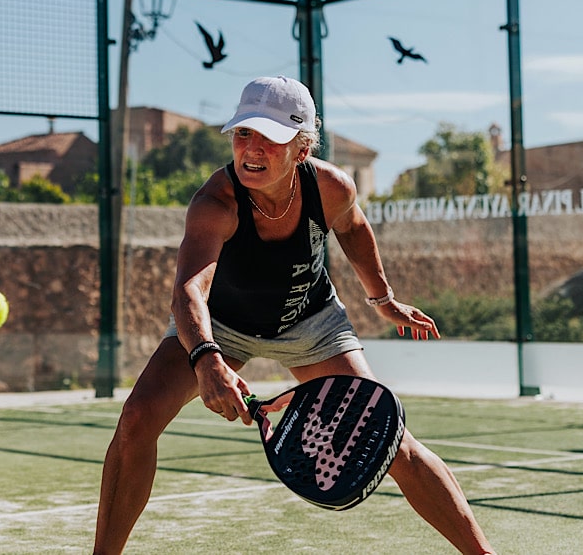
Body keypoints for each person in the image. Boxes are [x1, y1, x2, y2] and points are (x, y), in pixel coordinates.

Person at [93, 76, 494, 554]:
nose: (252, 148)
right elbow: (187, 292)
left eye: (270, 137)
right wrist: (206, 359)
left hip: (312, 322)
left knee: (394, 441)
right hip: (221, 326)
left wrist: (383, 299)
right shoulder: (215, 202)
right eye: (244, 133)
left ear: (301, 149)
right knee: (137, 418)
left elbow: (354, 228)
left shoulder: (331, 188)